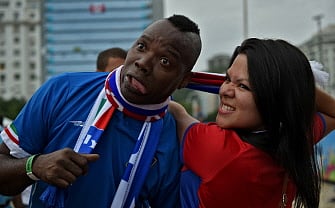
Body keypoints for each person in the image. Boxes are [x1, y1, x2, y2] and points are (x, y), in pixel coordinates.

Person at [0, 14, 202, 208]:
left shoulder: (173, 137)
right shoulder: (63, 89)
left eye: (165, 61)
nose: (143, 63)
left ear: (183, 80)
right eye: (141, 46)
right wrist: (34, 167)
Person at [168, 38, 335, 208]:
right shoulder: (295, 139)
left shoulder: (220, 148)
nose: (224, 90)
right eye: (227, 79)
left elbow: (178, 114)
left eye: (243, 86)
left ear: (275, 98)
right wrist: (295, 82)